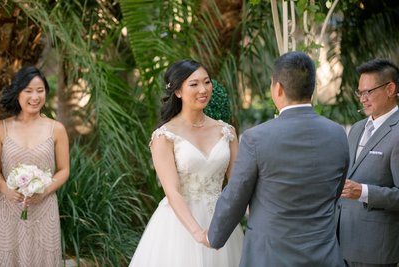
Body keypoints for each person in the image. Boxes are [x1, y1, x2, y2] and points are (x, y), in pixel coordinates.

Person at [206, 51, 350, 267]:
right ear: (312, 88)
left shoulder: (256, 138)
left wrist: (213, 236)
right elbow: (335, 192)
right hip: (324, 253)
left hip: (271, 255)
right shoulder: (337, 133)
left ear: (278, 88)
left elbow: (236, 195)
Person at [129, 59, 243, 267]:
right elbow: (172, 192)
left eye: (207, 82)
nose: (203, 89)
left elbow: (238, 184)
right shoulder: (164, 136)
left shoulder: (227, 131)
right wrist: (198, 233)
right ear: (178, 92)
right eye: (194, 84)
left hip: (221, 222)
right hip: (179, 226)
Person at [0, 66, 69, 267]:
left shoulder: (57, 129)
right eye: (28, 91)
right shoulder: (2, 128)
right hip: (8, 208)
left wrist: (44, 190)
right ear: (18, 92)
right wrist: (5, 189)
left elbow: (64, 169)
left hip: (44, 208)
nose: (35, 97)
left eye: (40, 90)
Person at [338, 59, 399, 267]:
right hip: (341, 244)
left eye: (369, 92)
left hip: (376, 250)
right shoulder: (356, 128)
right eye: (360, 93)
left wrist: (363, 192)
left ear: (390, 88)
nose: (363, 99)